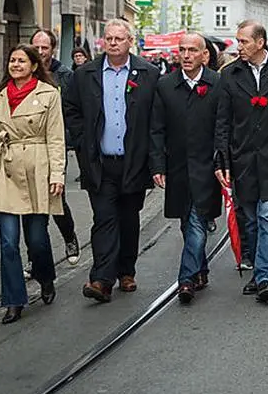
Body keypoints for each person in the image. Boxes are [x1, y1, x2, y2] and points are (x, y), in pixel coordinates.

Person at [64, 19, 160, 303]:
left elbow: (156, 119)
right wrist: (82, 140)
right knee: (104, 219)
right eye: (109, 38)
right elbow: (71, 108)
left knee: (128, 219)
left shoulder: (148, 73)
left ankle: (126, 271)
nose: (113, 43)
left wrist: (154, 161)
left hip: (133, 161)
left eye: (119, 39)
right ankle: (101, 279)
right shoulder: (85, 74)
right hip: (99, 161)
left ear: (130, 41)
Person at [0, 45, 65, 324]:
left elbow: (56, 138)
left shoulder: (49, 95)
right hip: (5, 172)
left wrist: (57, 175)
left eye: (21, 60)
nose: (15, 65)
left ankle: (46, 276)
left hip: (37, 169)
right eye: (12, 60)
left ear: (34, 65)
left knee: (37, 239)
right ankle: (14, 300)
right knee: (8, 242)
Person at [216, 20, 268, 303]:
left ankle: (264, 276)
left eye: (243, 41)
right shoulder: (230, 75)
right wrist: (223, 157)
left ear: (260, 42)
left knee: (267, 215)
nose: (238, 47)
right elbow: (223, 121)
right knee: (248, 218)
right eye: (238, 42)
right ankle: (256, 267)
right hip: (243, 158)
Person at [149, 33, 223, 306]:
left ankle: (186, 279)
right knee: (187, 222)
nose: (187, 55)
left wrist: (223, 162)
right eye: (183, 50)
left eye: (193, 50)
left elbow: (223, 126)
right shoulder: (166, 85)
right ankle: (200, 269)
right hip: (177, 165)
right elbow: (156, 128)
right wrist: (157, 164)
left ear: (205, 54)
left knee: (198, 220)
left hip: (207, 165)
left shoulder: (217, 83)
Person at [30, 29, 81, 266]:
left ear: (53, 49)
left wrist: (71, 138)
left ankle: (69, 236)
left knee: (54, 196)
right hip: (28, 147)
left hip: (55, 145)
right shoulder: (23, 72)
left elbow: (73, 110)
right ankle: (35, 257)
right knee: (30, 204)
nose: (40, 53)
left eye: (45, 48)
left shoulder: (65, 75)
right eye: (36, 47)